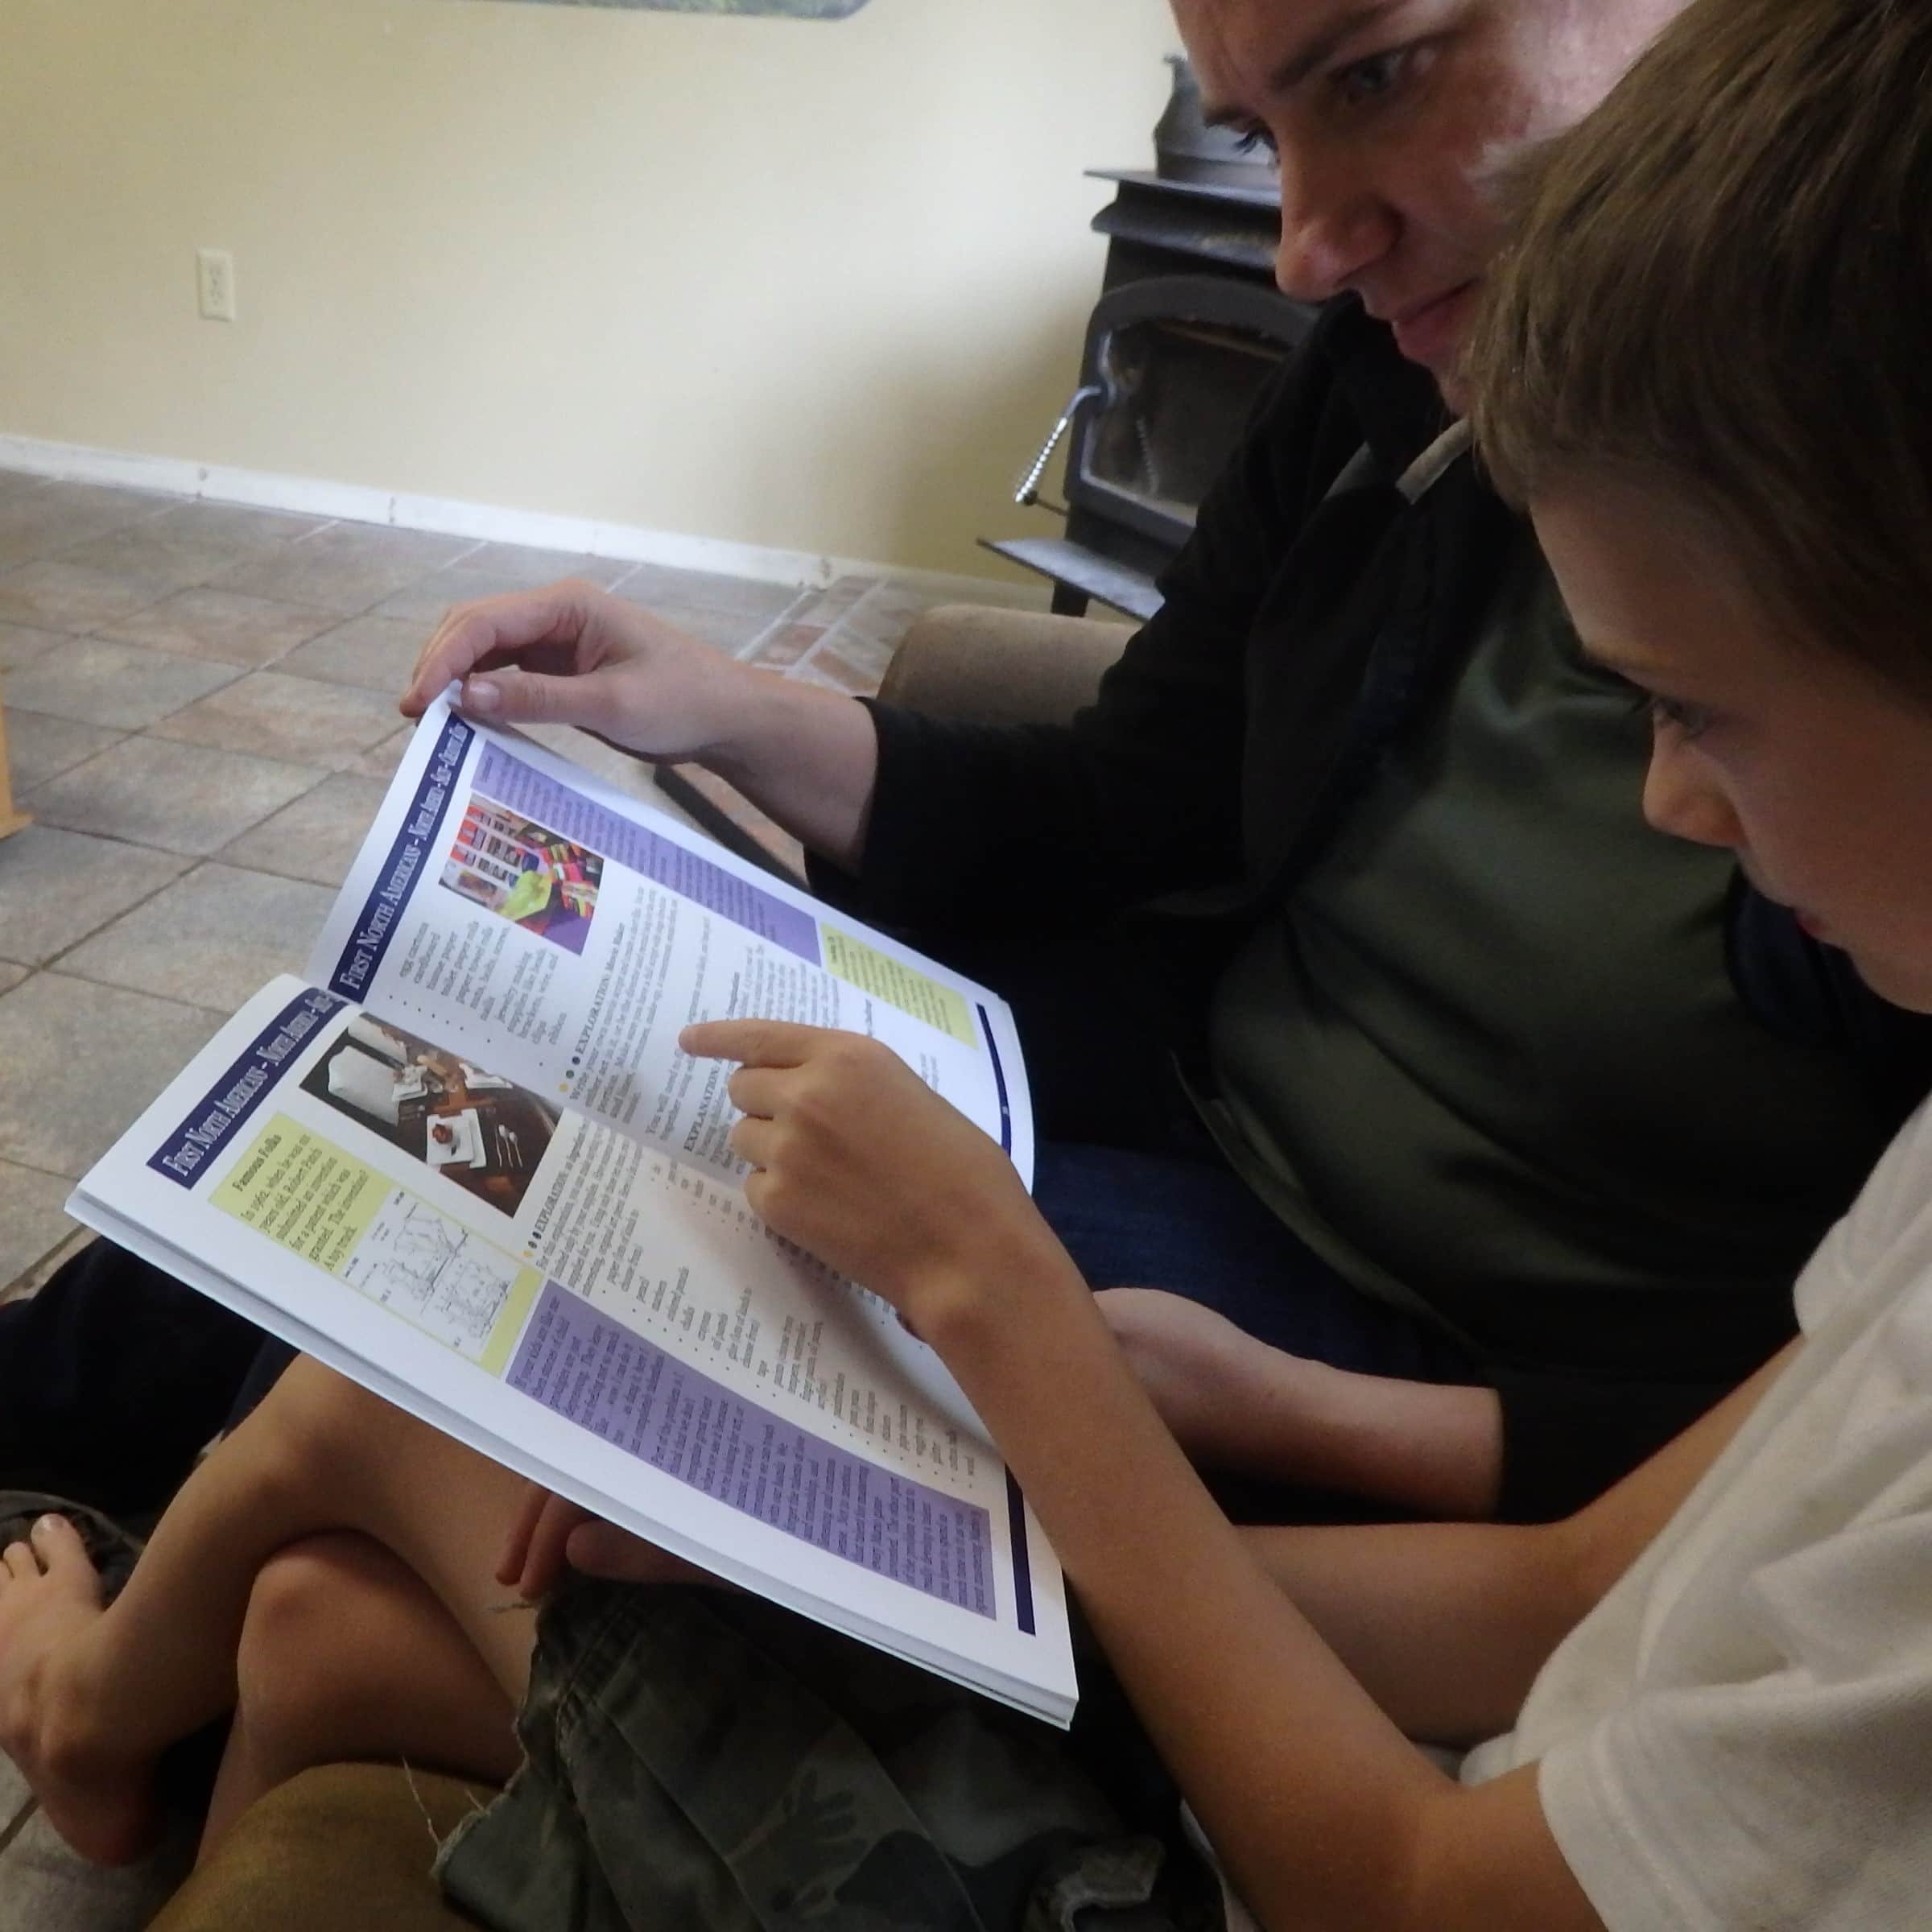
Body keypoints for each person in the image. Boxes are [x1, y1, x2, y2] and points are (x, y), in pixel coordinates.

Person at [8, 9, 1932, 1921]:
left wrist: (1211, 1401)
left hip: (1398, 1327)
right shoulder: (1383, 400)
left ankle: (156, 1633)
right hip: (1179, 1121)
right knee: (468, 1085)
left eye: (1376, 75)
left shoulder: (1843, 613)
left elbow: (1683, 1499)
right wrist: (720, 707)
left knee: (467, 1305)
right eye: (1259, 133)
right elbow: (1126, 793)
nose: (1302, 245)